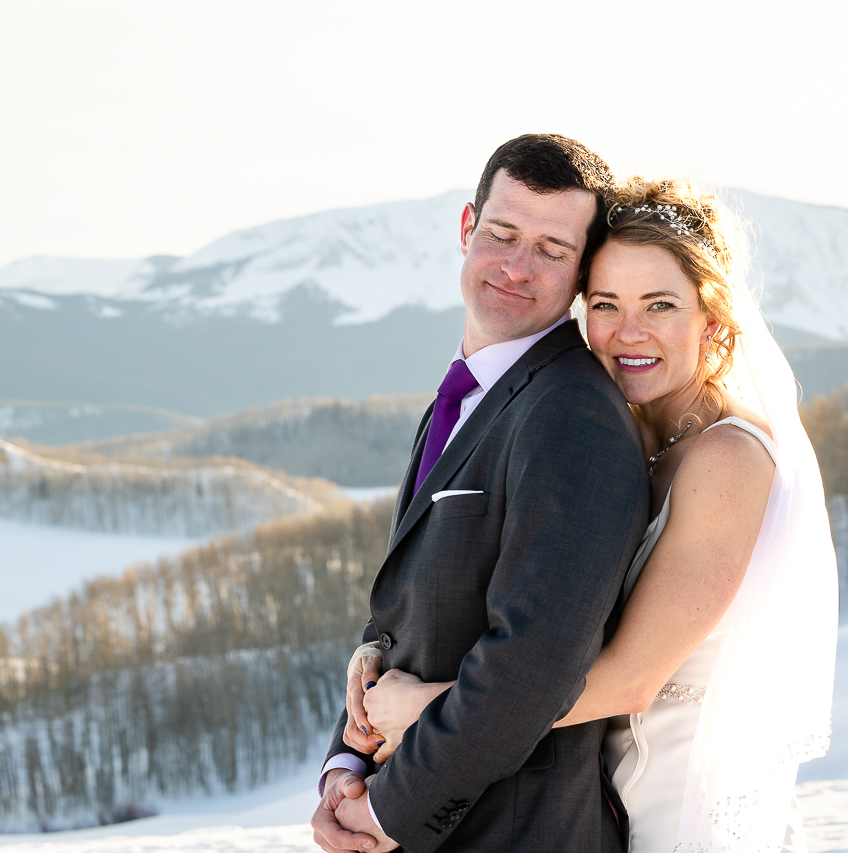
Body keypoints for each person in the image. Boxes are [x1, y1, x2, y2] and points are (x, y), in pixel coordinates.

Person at [351, 178, 839, 852]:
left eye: (661, 305)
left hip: (681, 805)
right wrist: (380, 653)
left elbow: (632, 681)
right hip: (604, 799)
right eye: (607, 303)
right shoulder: (636, 437)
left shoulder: (728, 457)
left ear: (714, 321)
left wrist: (427, 704)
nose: (628, 332)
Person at [310, 135, 651, 853]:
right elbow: (414, 612)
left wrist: (390, 811)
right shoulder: (461, 396)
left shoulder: (572, 413)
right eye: (502, 235)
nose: (517, 267)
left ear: (583, 270)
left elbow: (533, 663)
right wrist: (348, 763)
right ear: (468, 229)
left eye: (553, 250)